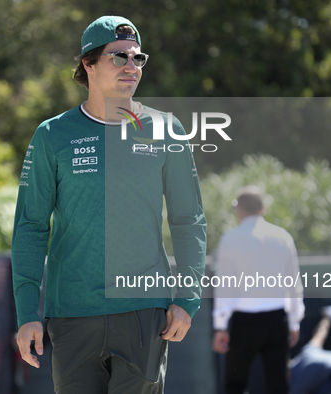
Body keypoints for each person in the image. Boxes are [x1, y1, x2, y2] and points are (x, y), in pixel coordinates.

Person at [12, 15, 207, 394]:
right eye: (119, 58)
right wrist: (25, 314)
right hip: (71, 312)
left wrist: (188, 297)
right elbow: (31, 226)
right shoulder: (52, 134)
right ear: (88, 63)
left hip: (143, 309)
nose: (132, 67)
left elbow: (189, 219)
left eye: (138, 59)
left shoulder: (167, 129)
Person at [212, 186, 305, 394]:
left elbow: (225, 286)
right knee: (278, 385)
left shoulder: (230, 239)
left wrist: (220, 325)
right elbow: (293, 284)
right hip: (276, 321)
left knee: (234, 385)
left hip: (244, 322)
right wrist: (294, 321)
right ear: (263, 208)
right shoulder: (283, 237)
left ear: (239, 209)